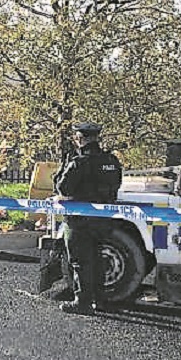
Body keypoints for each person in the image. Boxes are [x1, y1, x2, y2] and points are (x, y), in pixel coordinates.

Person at [53, 122, 123, 314]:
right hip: (103, 220)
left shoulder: (79, 162)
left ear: (80, 138)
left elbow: (62, 188)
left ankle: (82, 302)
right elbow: (117, 185)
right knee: (98, 258)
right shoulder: (111, 160)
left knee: (80, 261)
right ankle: (101, 301)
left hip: (79, 221)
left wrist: (65, 164)